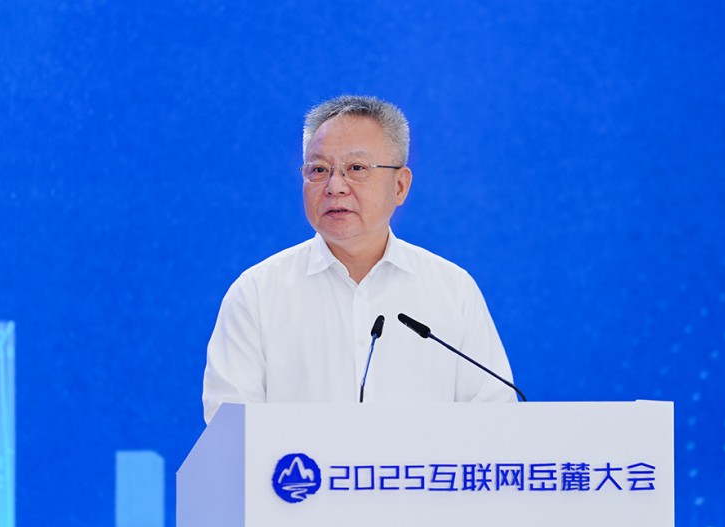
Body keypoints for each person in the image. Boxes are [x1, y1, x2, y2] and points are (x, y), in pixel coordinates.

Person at [202, 95, 515, 424]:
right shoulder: (256, 294)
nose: (335, 186)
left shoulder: (453, 291)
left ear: (400, 186)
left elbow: (495, 422)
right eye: (318, 170)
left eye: (356, 169)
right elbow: (229, 430)